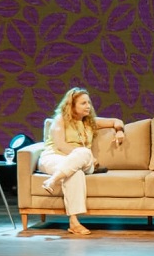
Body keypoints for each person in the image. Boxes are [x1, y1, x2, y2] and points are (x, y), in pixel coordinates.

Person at [38, 87, 126, 235]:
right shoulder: (60, 120)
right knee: (76, 172)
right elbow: (61, 146)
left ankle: (53, 180)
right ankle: (74, 222)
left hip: (84, 161)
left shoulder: (90, 123)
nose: (88, 106)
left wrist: (119, 131)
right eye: (83, 103)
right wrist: (83, 155)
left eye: (89, 103)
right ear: (71, 105)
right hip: (54, 158)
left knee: (84, 153)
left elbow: (117, 121)